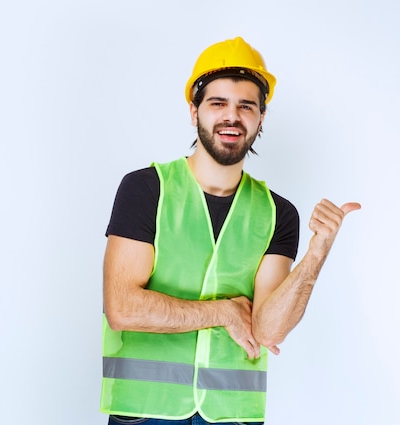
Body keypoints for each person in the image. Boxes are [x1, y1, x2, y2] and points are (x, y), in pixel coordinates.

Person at [100, 36, 361, 424]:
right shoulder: (146, 190)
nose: (232, 116)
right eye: (218, 103)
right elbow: (121, 307)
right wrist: (223, 311)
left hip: (231, 417)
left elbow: (268, 330)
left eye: (246, 106)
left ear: (260, 118)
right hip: (143, 412)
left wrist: (317, 253)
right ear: (194, 111)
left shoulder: (277, 213)